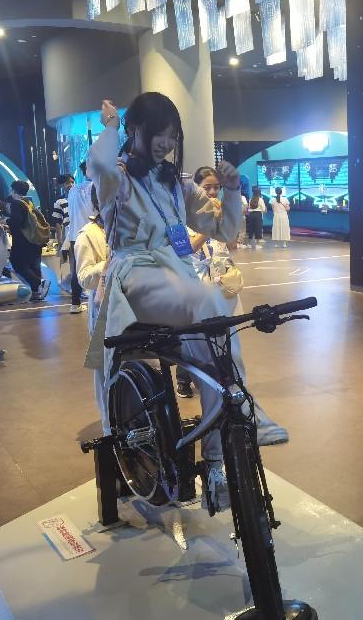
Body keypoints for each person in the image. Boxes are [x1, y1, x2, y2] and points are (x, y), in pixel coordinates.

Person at [86, 93, 287, 512]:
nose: (165, 143)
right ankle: (243, 406)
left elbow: (223, 229)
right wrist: (110, 125)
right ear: (134, 130)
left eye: (171, 135)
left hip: (178, 277)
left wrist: (231, 190)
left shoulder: (177, 183)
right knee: (206, 299)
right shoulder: (116, 177)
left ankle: (216, 464)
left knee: (213, 341)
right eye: (156, 133)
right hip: (134, 275)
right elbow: (99, 162)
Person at [176, 165, 240, 398]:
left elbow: (232, 245)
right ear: (196, 189)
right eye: (207, 188)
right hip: (195, 283)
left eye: (216, 187)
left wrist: (226, 224)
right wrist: (208, 229)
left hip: (221, 283)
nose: (213, 192)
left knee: (224, 334)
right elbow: (186, 249)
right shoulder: (183, 215)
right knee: (194, 336)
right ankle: (183, 378)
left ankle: (224, 379)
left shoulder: (220, 211)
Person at [74, 187, 110, 432]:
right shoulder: (89, 234)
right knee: (105, 371)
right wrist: (111, 262)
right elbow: (84, 278)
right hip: (104, 313)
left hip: (138, 309)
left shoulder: (130, 228)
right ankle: (110, 429)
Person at [5, 180, 49, 301]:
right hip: (34, 241)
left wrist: (5, 222)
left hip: (22, 242)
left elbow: (17, 221)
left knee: (16, 263)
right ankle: (36, 293)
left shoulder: (17, 204)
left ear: (14, 191)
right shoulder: (29, 202)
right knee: (34, 266)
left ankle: (40, 283)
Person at [66, 163, 95, 313]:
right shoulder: (96, 187)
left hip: (75, 235)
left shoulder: (73, 190)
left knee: (77, 270)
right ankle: (99, 302)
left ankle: (75, 304)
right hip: (94, 232)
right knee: (100, 265)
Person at [50, 174, 74, 292]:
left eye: (72, 182)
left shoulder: (80, 195)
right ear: (62, 185)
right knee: (72, 259)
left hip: (82, 229)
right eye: (67, 183)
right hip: (69, 231)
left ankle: (68, 283)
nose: (70, 185)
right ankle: (71, 284)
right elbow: (57, 222)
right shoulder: (59, 201)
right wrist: (59, 239)